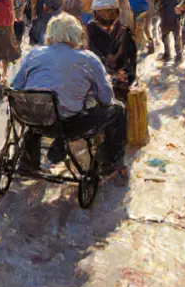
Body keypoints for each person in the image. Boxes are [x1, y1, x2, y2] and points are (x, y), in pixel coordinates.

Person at [10, 14, 128, 177]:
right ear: (76, 34)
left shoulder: (33, 54)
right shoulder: (88, 59)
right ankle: (110, 162)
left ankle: (28, 162)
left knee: (43, 107)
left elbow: (15, 86)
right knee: (117, 109)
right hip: (68, 124)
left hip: (31, 117)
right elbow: (106, 99)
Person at [84, 0, 138, 101]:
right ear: (96, 14)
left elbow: (131, 60)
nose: (108, 15)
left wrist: (125, 74)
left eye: (111, 11)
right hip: (96, 84)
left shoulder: (124, 32)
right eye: (104, 11)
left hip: (120, 85)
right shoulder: (88, 32)